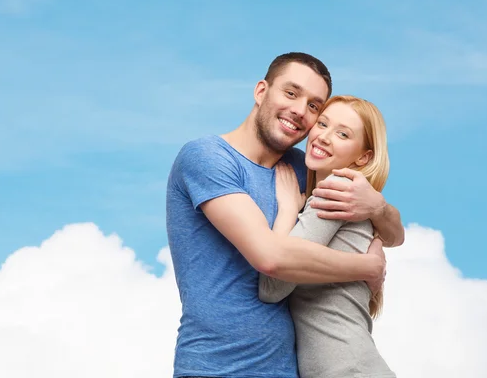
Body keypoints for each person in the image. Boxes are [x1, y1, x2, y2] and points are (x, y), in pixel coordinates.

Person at [166, 52, 404, 378]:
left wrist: (378, 207)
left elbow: (393, 235)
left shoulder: (304, 167)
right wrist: (367, 266)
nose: (299, 111)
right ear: (261, 91)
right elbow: (271, 259)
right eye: (291, 93)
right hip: (217, 366)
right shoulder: (208, 157)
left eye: (313, 106)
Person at [259, 95, 396, 378]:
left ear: (363, 157)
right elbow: (396, 234)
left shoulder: (336, 192)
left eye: (343, 134)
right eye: (322, 124)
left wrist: (286, 209)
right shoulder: (346, 197)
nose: (323, 137)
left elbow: (272, 287)